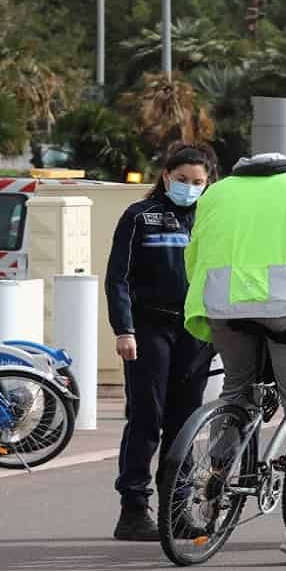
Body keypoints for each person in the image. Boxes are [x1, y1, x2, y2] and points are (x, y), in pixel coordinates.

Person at [182, 151, 286, 565]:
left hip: (222, 303)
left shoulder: (217, 192)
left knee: (236, 395)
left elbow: (194, 252)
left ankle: (214, 494)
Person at [106, 142, 217, 541]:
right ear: (166, 176)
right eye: (182, 179)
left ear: (209, 184)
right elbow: (117, 277)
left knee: (185, 424)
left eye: (198, 182)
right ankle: (133, 510)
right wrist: (124, 330)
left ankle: (178, 510)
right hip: (149, 329)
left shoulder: (211, 217)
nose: (189, 187)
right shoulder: (140, 216)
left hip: (196, 331)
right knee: (146, 420)